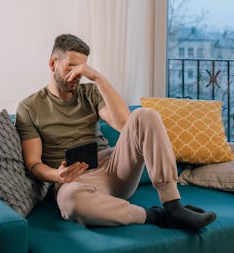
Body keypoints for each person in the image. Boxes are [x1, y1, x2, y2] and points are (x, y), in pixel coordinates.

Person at [15, 34, 216, 228]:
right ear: (53, 64)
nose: (77, 75)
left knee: (145, 115)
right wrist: (57, 175)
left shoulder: (90, 93)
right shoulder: (29, 108)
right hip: (74, 181)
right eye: (71, 66)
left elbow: (125, 124)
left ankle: (173, 205)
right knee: (70, 201)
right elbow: (33, 163)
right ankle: (156, 216)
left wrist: (98, 79)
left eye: (83, 68)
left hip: (113, 167)